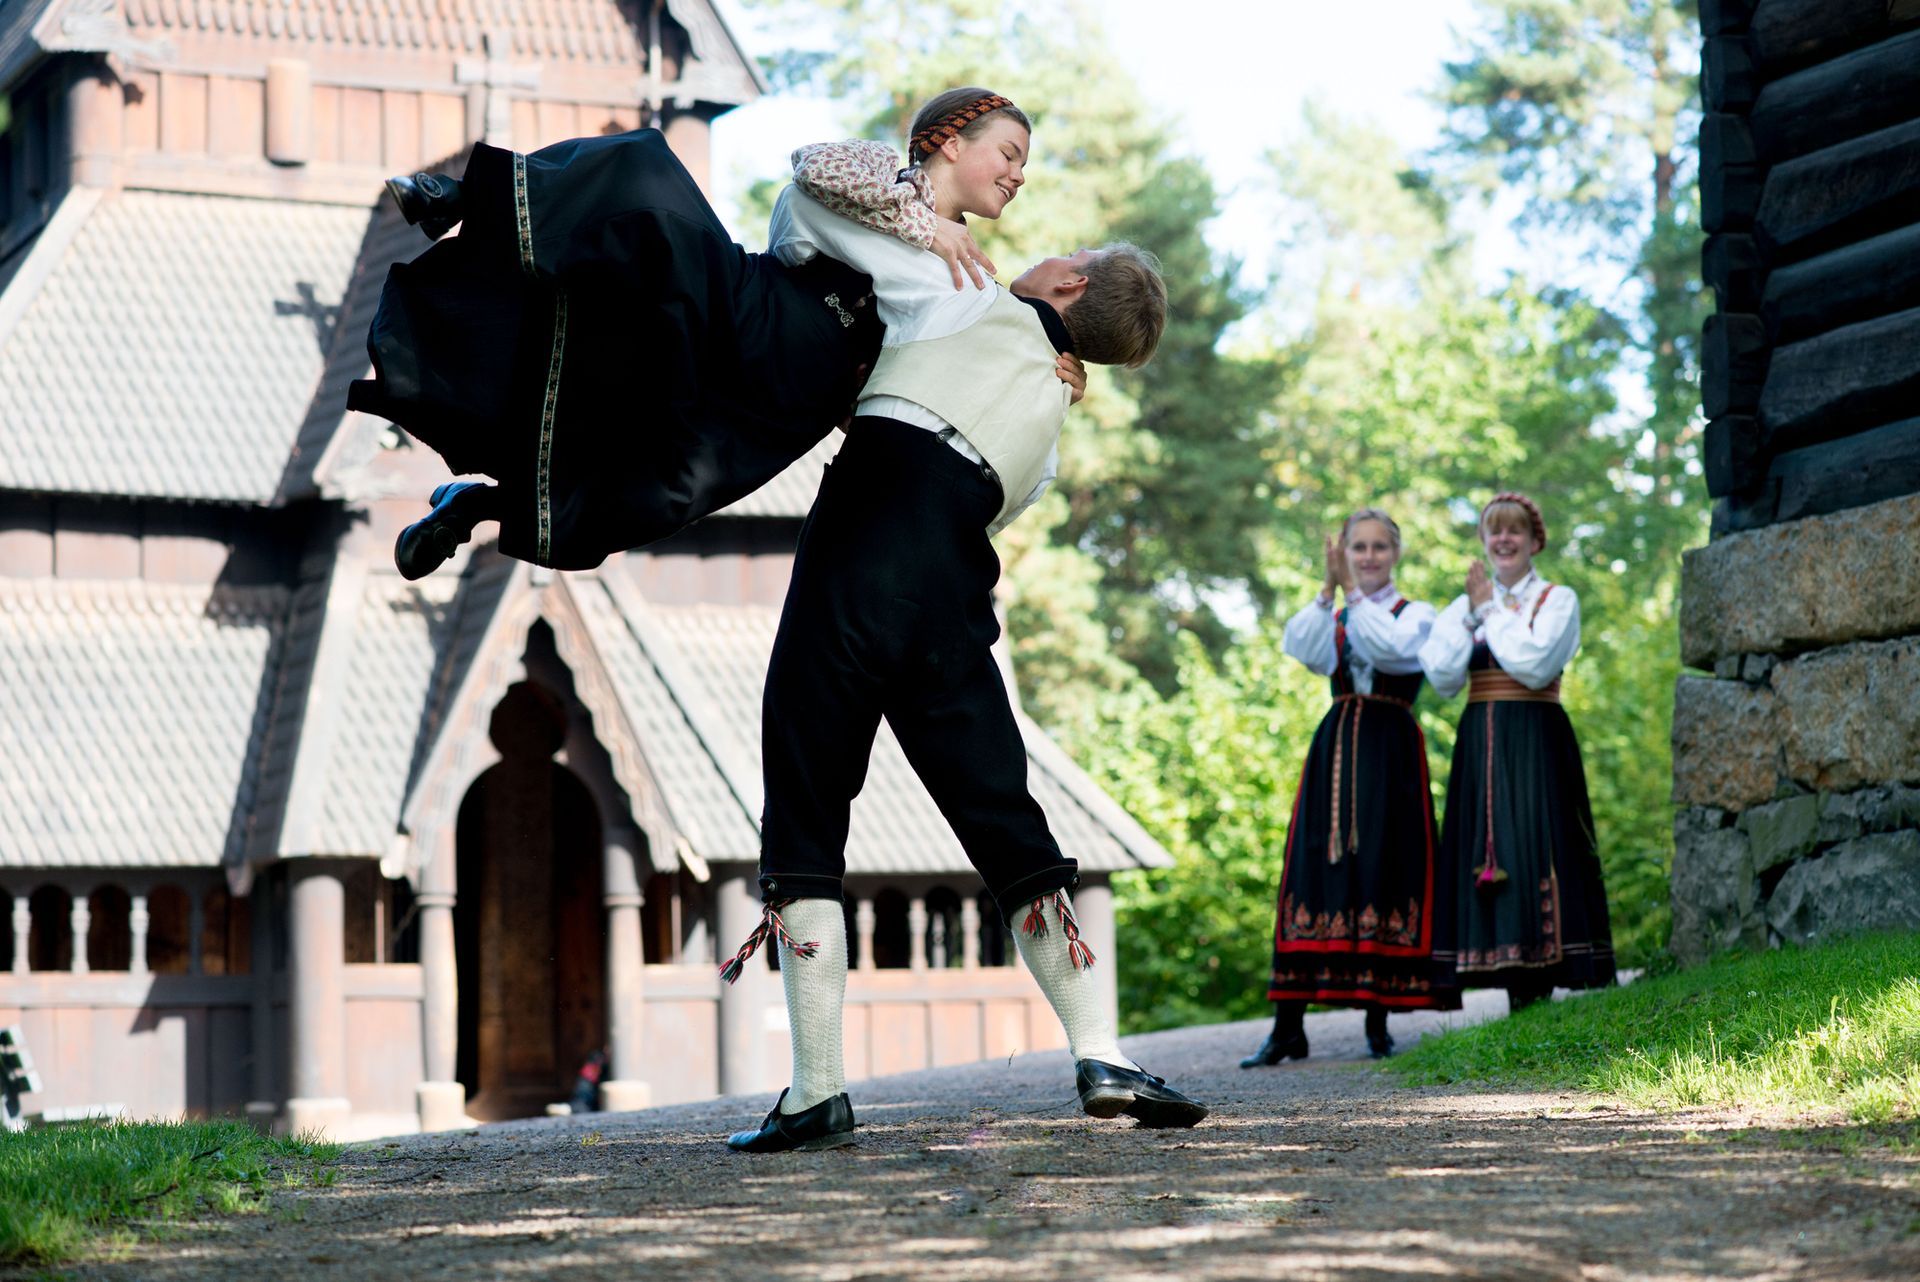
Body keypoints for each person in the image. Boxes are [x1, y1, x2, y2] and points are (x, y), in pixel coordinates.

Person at [716, 123, 1207, 1155]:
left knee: (806, 804)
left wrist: (923, 222)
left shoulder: (962, 292)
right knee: (1004, 813)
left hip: (861, 542)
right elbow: (994, 490)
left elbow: (805, 198)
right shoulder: (1050, 440)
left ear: (1066, 279)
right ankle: (1101, 1052)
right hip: (952, 578)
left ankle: (816, 1090)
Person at [347, 89, 1083, 575]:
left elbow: (974, 358)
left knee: (653, 492)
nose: (1018, 175)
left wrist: (1056, 371)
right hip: (758, 311)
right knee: (647, 177)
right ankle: (466, 195)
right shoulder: (882, 172)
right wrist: (923, 226)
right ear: (949, 141)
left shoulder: (978, 280)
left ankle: (472, 508)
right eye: (1009, 153)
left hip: (785, 409)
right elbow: (813, 173)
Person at [1241, 510, 1457, 1070]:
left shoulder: (1418, 616)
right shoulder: (1333, 615)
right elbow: (1307, 651)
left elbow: (1390, 652)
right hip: (1335, 748)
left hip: (1391, 751)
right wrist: (1326, 589)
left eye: (1378, 548)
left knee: (1384, 867)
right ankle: (1288, 1026)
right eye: (1357, 548)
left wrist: (1352, 600)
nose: (1367, 557)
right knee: (1314, 868)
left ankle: (1377, 1021)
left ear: (1396, 553)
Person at [1417, 492, 1615, 1013]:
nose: (1504, 540)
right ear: (1483, 540)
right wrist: (1471, 615)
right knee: (1489, 846)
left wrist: (1488, 610)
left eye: (1515, 531)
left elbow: (1533, 665)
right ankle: (1506, 976)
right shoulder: (1463, 605)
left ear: (1534, 540)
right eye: (1494, 531)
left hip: (1536, 733)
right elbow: (1440, 677)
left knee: (1537, 840)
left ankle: (1544, 977)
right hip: (1480, 736)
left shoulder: (1557, 599)